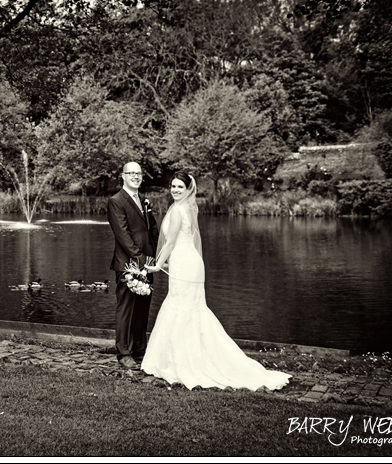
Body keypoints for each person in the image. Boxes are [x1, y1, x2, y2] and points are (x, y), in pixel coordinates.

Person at [142, 172, 291, 391]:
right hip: (188, 262)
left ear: (188, 189)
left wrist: (157, 264)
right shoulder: (188, 208)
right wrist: (168, 263)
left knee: (182, 309)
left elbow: (171, 242)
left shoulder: (178, 211)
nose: (175, 190)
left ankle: (183, 362)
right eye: (172, 186)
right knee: (188, 309)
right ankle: (183, 358)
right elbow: (185, 240)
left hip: (185, 263)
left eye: (180, 187)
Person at [107, 162, 159, 370]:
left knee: (142, 309)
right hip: (128, 264)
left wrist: (154, 257)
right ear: (123, 176)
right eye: (131, 173)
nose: (136, 177)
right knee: (126, 310)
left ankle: (140, 349)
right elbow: (123, 235)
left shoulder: (143, 200)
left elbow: (152, 230)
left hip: (147, 263)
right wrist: (139, 261)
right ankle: (124, 353)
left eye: (138, 173)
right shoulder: (116, 201)